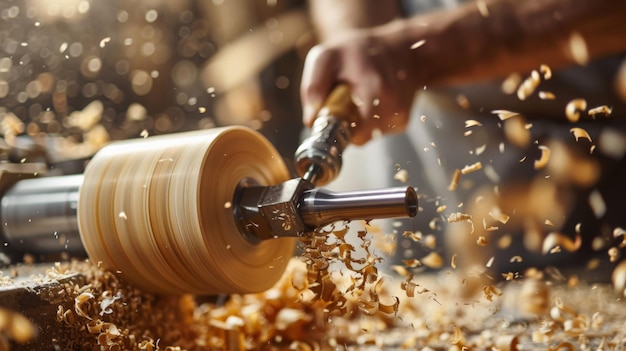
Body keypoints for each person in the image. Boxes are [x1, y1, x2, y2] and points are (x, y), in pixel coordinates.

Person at [299, 0, 626, 282]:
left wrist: (414, 52)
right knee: (402, 301)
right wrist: (357, 48)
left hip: (592, 115)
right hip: (405, 120)